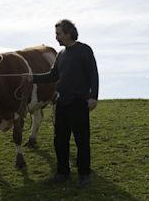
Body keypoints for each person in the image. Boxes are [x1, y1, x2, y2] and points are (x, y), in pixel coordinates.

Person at [33, 19, 99, 187]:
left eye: (58, 33)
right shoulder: (61, 54)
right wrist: (31, 78)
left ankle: (84, 174)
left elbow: (93, 74)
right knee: (60, 139)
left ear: (69, 33)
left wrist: (93, 96)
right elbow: (52, 75)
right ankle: (63, 172)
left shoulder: (84, 50)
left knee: (81, 139)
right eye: (56, 34)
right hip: (62, 102)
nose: (56, 37)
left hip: (79, 101)